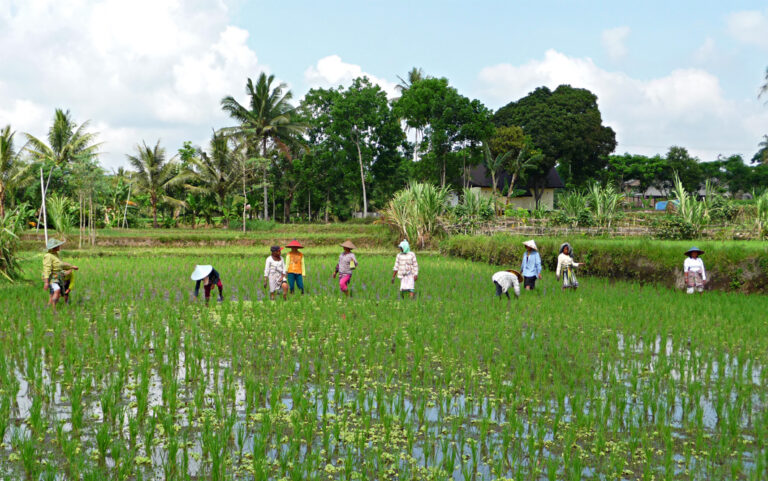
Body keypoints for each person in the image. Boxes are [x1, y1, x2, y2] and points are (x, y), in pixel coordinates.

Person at [42, 238, 78, 310]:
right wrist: (46, 282)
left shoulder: (55, 255)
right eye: (58, 246)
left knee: (56, 293)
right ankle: (54, 309)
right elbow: (47, 269)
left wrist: (72, 267)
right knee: (57, 290)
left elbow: (61, 265)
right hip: (52, 277)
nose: (59, 247)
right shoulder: (48, 256)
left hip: (58, 277)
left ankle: (50, 306)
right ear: (53, 247)